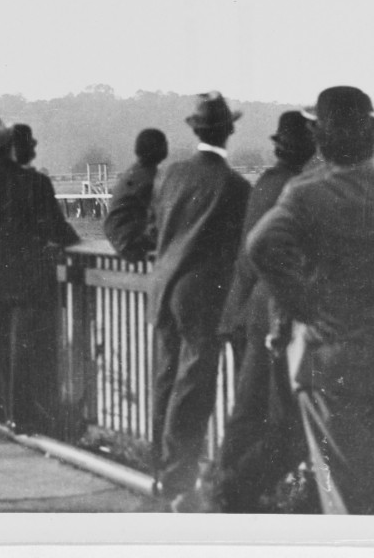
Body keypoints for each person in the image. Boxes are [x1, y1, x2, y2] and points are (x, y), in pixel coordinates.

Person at [247, 87, 374, 514]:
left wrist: (306, 309)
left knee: (344, 494)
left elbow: (262, 245)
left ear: (321, 139)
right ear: (372, 138)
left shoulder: (307, 195)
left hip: (333, 360)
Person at [148, 91, 250, 509]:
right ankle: (178, 481)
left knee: (166, 378)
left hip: (163, 286)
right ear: (228, 132)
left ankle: (159, 471)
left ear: (196, 130)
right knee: (194, 386)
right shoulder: (234, 185)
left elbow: (157, 227)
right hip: (202, 295)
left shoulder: (171, 174)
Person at [212, 111, 316, 512]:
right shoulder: (297, 187)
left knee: (246, 411)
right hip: (276, 316)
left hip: (248, 311)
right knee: (281, 418)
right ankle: (242, 493)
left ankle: (222, 489)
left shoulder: (265, 184)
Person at [0, 118, 79, 435]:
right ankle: (24, 418)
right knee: (27, 349)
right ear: (15, 149)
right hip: (31, 277)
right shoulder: (37, 183)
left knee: (3, 349)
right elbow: (58, 228)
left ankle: (7, 413)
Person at [103, 128, 169, 262]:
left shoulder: (134, 172)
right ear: (157, 148)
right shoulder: (150, 179)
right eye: (164, 144)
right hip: (131, 243)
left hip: (119, 238)